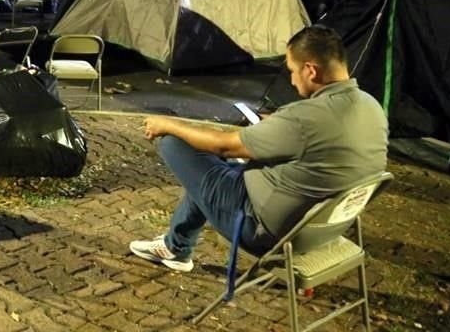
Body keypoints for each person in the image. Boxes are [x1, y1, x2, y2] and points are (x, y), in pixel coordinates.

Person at [129, 25, 388, 272]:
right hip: (323, 229)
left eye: (292, 70)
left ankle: (177, 248)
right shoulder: (372, 108)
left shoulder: (305, 118)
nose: (292, 79)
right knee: (213, 172)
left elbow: (226, 146)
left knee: (178, 142)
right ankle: (176, 247)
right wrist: (274, 125)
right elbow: (314, 140)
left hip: (261, 228)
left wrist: (168, 125)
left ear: (311, 70)